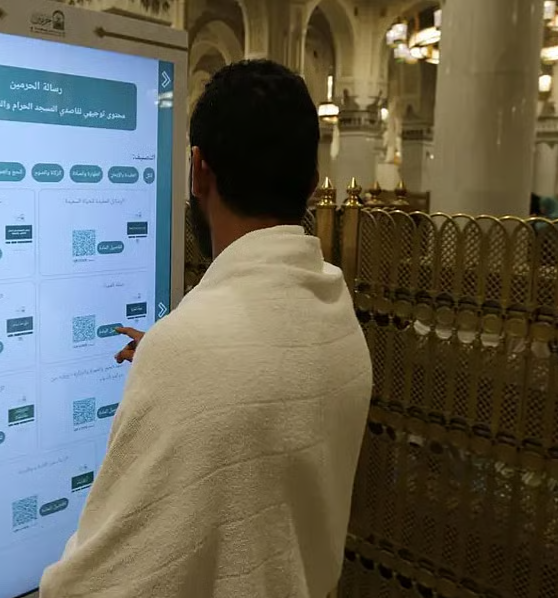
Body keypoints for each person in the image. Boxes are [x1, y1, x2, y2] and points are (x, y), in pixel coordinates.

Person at [40, 61, 373, 597]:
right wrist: (184, 359)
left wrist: (184, 358)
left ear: (198, 169)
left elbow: (99, 582)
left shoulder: (191, 350)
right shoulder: (334, 310)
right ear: (312, 186)